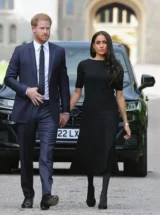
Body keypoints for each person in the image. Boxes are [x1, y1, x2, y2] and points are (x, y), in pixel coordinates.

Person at [4, 13, 70, 210]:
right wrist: (26, 90)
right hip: (26, 108)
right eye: (42, 28)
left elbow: (63, 83)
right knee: (25, 154)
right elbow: (9, 78)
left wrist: (65, 110)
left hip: (49, 110)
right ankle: (28, 195)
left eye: (48, 28)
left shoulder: (58, 52)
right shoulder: (20, 51)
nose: (46, 32)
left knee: (47, 153)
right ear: (33, 29)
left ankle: (47, 195)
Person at [69, 31, 131, 210]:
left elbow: (120, 97)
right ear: (93, 45)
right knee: (91, 150)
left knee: (108, 149)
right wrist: (65, 112)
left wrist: (125, 122)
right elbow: (77, 92)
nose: (102, 45)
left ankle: (104, 194)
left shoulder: (116, 67)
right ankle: (90, 186)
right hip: (90, 112)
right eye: (98, 42)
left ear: (108, 45)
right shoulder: (84, 65)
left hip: (109, 114)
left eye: (105, 42)